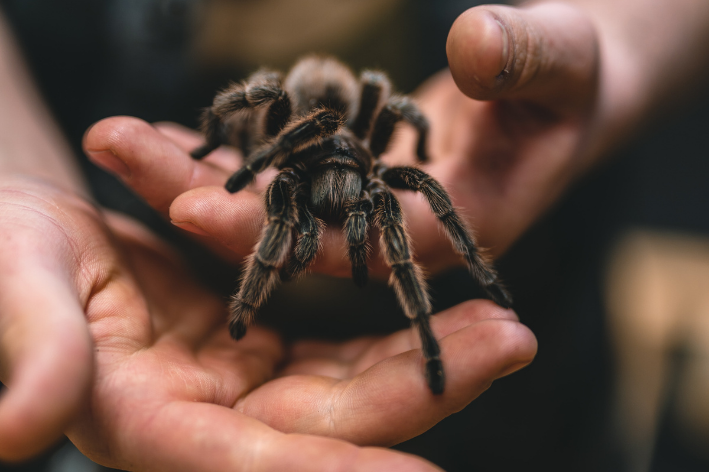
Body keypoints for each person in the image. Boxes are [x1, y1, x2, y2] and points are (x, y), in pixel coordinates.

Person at [2, 1, 709, 471]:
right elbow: (269, 123)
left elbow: (399, 114)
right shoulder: (289, 147)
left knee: (425, 203)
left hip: (536, 392)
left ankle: (443, 330)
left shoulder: (374, 162)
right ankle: (244, 311)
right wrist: (244, 159)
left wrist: (617, 54)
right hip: (179, 264)